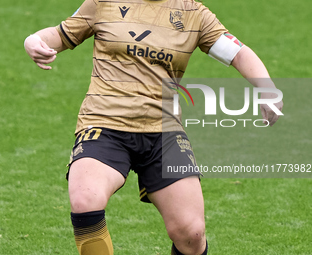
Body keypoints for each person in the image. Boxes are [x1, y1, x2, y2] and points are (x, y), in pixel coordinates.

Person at [24, 0, 283, 254]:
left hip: (164, 132)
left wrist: (267, 88)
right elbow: (59, 34)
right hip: (104, 124)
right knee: (85, 199)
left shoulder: (194, 13)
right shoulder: (103, 3)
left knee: (191, 233)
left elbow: (238, 52)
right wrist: (34, 40)